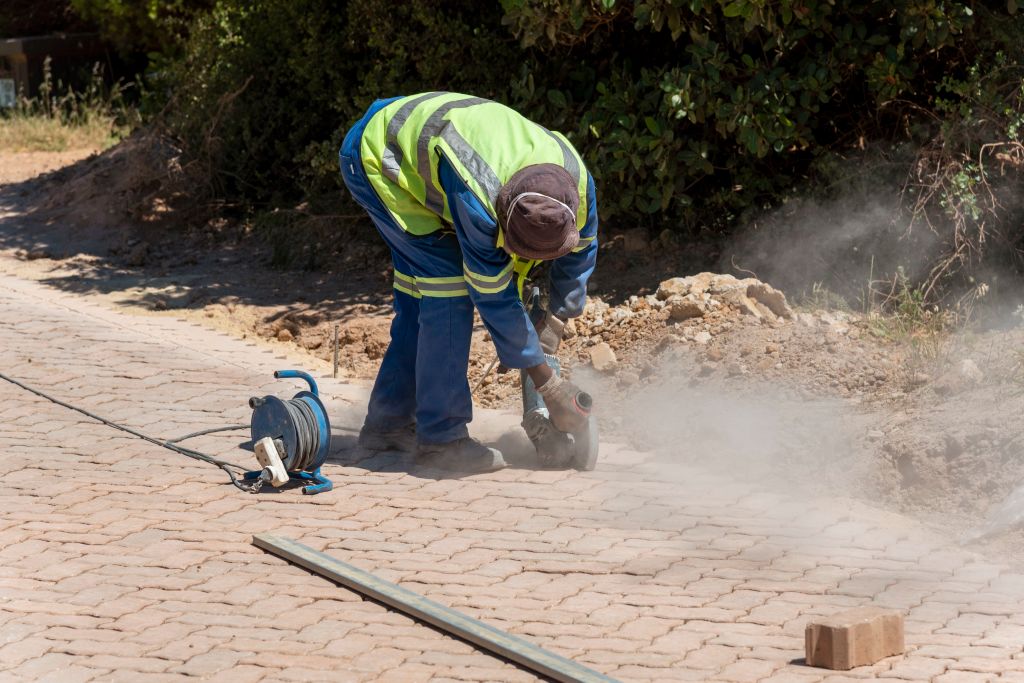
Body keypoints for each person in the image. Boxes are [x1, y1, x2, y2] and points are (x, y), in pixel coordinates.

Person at [339, 92, 598, 473]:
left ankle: (388, 425)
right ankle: (441, 441)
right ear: (502, 215)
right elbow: (494, 297)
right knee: (447, 287)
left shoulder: (580, 192)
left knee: (419, 299)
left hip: (425, 149)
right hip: (380, 158)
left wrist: (555, 321)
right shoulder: (479, 199)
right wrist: (551, 388)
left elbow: (580, 256)